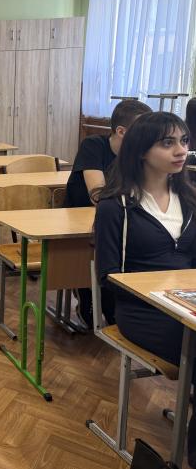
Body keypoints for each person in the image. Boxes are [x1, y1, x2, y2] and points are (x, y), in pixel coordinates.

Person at [94, 111, 196, 467]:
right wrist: (163, 293)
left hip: (188, 307)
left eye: (184, 141)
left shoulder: (191, 201)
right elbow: (108, 275)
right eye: (168, 143)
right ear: (141, 150)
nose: (181, 151)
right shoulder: (116, 207)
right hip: (142, 310)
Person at [66, 99, 152, 327]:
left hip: (117, 220)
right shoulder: (94, 145)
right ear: (121, 131)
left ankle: (116, 306)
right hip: (77, 223)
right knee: (95, 262)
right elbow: (97, 193)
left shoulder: (140, 156)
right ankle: (88, 298)